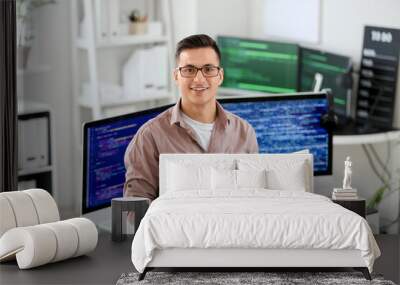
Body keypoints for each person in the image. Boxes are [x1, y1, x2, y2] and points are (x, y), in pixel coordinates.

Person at [123, 34, 259, 200]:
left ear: (220, 76)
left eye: (208, 69)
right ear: (176, 76)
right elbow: (134, 210)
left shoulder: (244, 133)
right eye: (189, 70)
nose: (199, 79)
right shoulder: (150, 136)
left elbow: (253, 197)